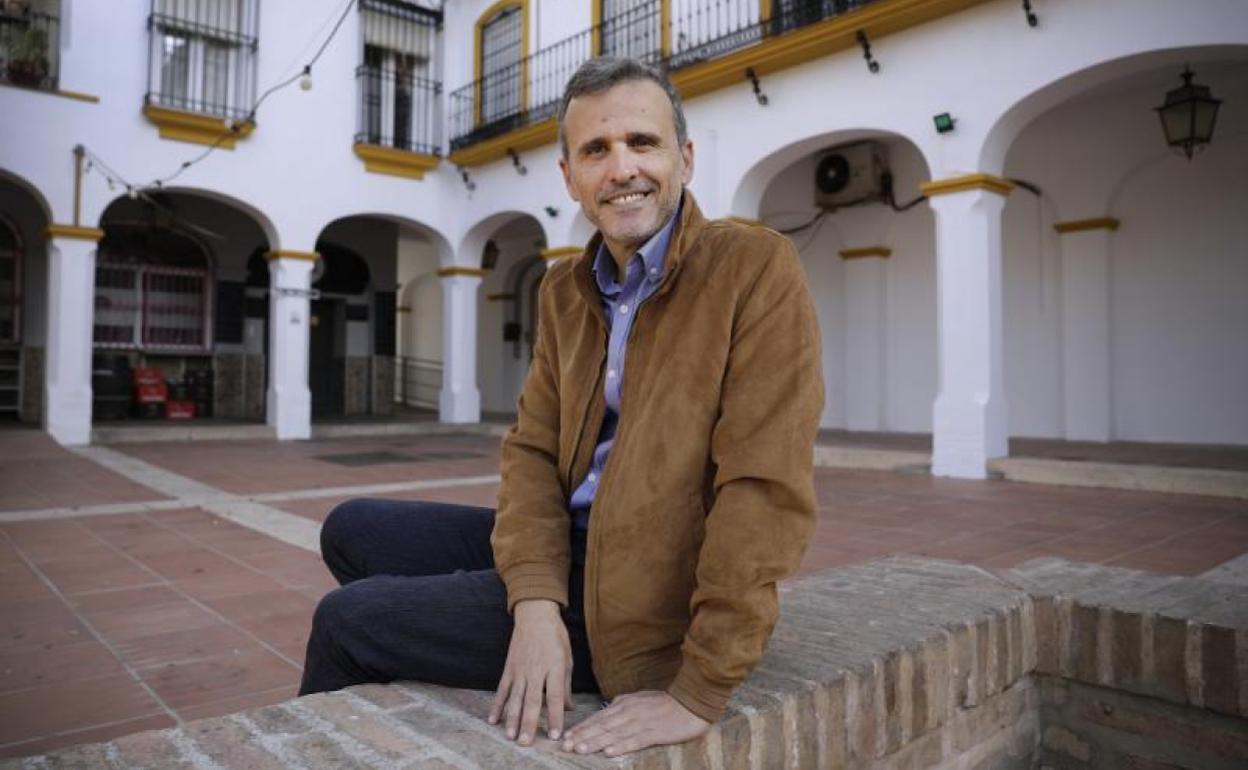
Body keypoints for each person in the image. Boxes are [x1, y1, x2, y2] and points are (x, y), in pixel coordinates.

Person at [300, 56, 823, 759]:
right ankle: (505, 624)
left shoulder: (754, 268)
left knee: (346, 623)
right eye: (596, 150)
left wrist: (699, 689)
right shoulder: (564, 291)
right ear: (570, 176)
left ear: (685, 159)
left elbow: (763, 489)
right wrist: (536, 604)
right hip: (574, 547)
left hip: (646, 595)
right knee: (351, 529)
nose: (622, 168)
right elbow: (534, 451)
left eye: (643, 143)